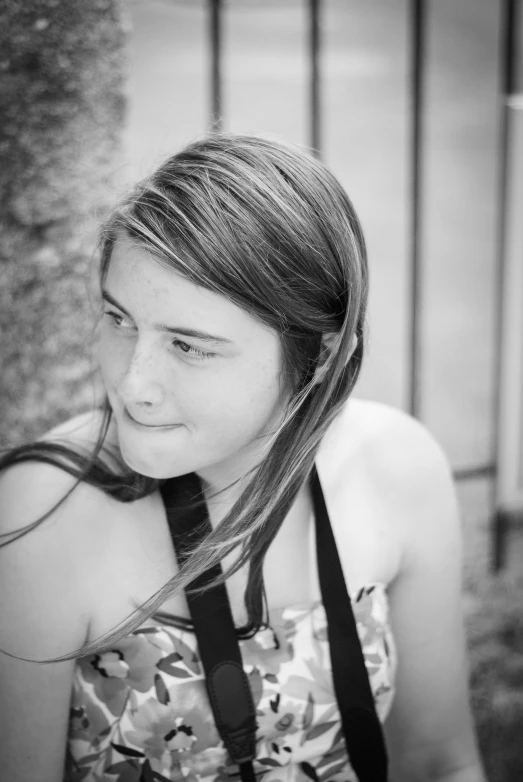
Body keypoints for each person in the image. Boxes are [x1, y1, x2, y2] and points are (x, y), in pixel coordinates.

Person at [0, 133, 486, 782]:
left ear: (315, 355)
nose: (131, 383)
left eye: (189, 345)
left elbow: (437, 763)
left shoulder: (397, 467)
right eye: (119, 319)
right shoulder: (44, 516)